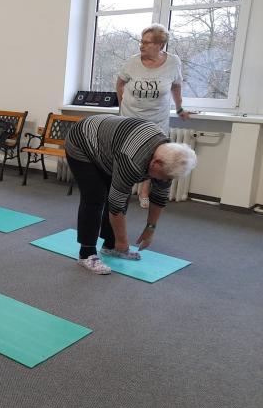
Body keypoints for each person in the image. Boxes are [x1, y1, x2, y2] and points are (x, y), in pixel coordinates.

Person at [65, 114, 197, 275]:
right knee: (95, 197)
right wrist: (123, 241)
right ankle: (86, 253)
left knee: (121, 192)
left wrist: (150, 229)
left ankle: (110, 246)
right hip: (82, 141)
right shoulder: (133, 160)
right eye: (163, 176)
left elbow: (160, 197)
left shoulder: (169, 160)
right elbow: (116, 205)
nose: (164, 180)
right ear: (156, 163)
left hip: (110, 145)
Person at [116, 23, 191, 209]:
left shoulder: (173, 62)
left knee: (153, 157)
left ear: (160, 45)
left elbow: (176, 86)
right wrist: (121, 106)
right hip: (130, 117)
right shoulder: (132, 62)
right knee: (126, 154)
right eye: (141, 41)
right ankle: (122, 189)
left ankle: (144, 191)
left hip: (157, 119)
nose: (141, 46)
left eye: (146, 42)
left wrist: (180, 108)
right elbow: (120, 83)